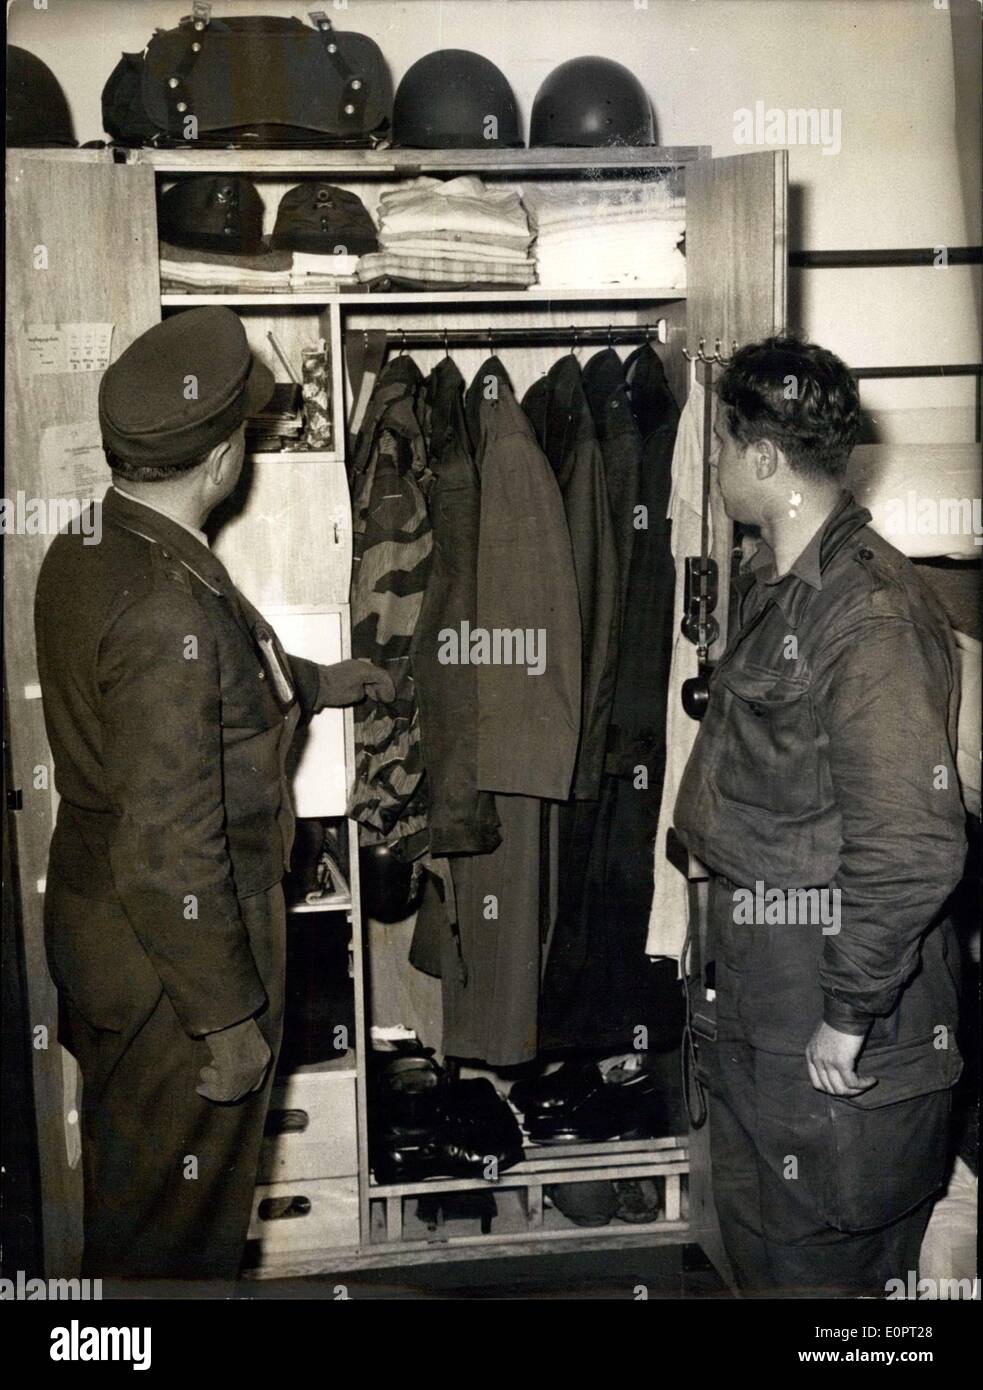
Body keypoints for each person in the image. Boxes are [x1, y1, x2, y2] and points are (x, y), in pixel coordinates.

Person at [34, 308, 394, 1283]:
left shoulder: (95, 541)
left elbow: (206, 693)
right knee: (176, 1240)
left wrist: (324, 679)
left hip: (107, 939)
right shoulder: (162, 604)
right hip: (173, 967)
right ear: (224, 454)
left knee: (137, 1198)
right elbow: (170, 844)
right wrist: (226, 1021)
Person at [673, 336, 966, 1297]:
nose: (714, 466)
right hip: (764, 979)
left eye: (721, 445)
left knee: (829, 1283)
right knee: (766, 1253)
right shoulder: (778, 583)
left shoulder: (867, 613)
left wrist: (845, 1012)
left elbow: (913, 845)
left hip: (836, 996)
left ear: (761, 459)